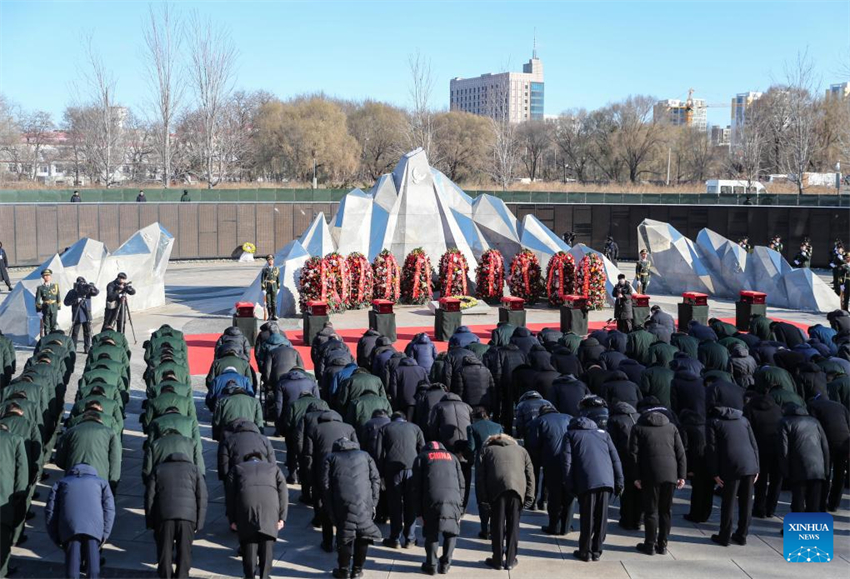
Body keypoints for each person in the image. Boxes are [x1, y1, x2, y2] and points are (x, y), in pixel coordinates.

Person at [562, 414, 624, 561]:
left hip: (587, 481)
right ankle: (597, 551)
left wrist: (569, 485)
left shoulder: (570, 434)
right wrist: (619, 481)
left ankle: (585, 551)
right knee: (602, 518)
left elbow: (566, 462)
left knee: (587, 517)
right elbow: (615, 459)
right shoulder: (604, 434)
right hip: (606, 480)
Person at [321, 437, 382, 579]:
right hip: (364, 501)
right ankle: (357, 570)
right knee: (363, 534)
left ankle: (344, 571)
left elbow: (325, 486)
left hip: (342, 502)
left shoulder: (330, 458)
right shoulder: (365, 455)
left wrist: (330, 508)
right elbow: (376, 479)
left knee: (345, 535)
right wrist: (373, 501)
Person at [629, 408, 686, 556]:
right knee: (666, 511)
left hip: (650, 474)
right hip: (670, 473)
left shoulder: (638, 428)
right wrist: (682, 475)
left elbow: (633, 454)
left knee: (651, 511)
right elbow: (680, 452)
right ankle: (663, 545)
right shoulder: (672, 427)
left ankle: (650, 545)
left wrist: (636, 476)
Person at [45, 463, 115, 579]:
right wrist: (105, 534)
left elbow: (50, 511)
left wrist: (55, 536)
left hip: (70, 526)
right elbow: (109, 510)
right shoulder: (102, 483)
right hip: (94, 527)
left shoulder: (61, 483)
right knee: (93, 565)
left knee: (72, 563)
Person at [476, 434, 535, 571]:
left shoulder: (486, 451)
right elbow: (530, 474)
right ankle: (510, 560)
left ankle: (497, 560)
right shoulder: (521, 450)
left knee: (497, 525)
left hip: (496, 490)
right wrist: (530, 496)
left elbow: (480, 477)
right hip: (517, 491)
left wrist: (483, 498)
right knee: (513, 525)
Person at [145, 452, 208, 578]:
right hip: (187, 517)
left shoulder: (158, 469)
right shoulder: (195, 470)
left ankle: (166, 575)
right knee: (185, 551)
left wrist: (150, 521)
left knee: (164, 551)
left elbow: (149, 497)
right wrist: (199, 523)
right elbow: (202, 497)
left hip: (164, 516)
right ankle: (182, 576)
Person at [226, 453, 288, 579]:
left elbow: (230, 496)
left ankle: (250, 576)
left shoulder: (237, 468)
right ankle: (264, 576)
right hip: (269, 508)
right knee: (267, 544)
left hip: (246, 508)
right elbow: (283, 493)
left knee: (249, 543)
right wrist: (282, 517)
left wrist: (232, 519)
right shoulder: (274, 468)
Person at [706, 407, 760, 546]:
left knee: (728, 503)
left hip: (730, 465)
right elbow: (754, 444)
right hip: (749, 464)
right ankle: (742, 535)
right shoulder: (744, 420)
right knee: (746, 503)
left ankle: (724, 536)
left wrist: (714, 473)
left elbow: (712, 448)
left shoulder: (713, 423)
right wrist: (756, 467)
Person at [411, 441, 465, 575]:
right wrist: (460, 506)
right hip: (453, 498)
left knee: (431, 531)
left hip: (431, 499)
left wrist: (419, 512)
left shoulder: (421, 458)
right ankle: (445, 564)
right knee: (451, 531)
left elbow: (416, 487)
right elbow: (462, 483)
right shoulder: (453, 458)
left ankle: (431, 565)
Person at [376, 412, 426, 549]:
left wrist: (381, 475)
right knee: (411, 504)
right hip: (411, 469)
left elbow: (379, 454)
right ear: (405, 419)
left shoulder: (384, 428)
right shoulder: (415, 428)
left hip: (392, 470)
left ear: (392, 419)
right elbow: (423, 449)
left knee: (395, 505)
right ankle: (410, 538)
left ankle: (395, 538)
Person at [778, 403, 830, 514]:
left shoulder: (785, 422)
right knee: (814, 504)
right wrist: (826, 469)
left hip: (798, 468)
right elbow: (825, 446)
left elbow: (784, 450)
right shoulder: (815, 422)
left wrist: (785, 472)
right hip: (817, 468)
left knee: (798, 502)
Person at [466, 409, 503, 539]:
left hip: (481, 464)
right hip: (497, 462)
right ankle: (495, 527)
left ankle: (484, 529)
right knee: (496, 496)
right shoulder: (498, 426)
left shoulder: (472, 428)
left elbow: (471, 447)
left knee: (482, 496)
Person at [0, 423, 27, 577]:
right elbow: (21, 469)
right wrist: (20, 494)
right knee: (3, 539)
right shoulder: (15, 439)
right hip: (4, 497)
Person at [64, 277, 99, 353]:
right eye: (80, 284)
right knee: (75, 332)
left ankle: (87, 348)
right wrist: (75, 301)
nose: (82, 286)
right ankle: (73, 348)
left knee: (87, 331)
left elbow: (96, 293)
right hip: (77, 314)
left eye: (83, 283)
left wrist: (92, 286)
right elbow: (66, 302)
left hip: (86, 313)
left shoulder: (88, 290)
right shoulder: (73, 292)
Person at [35, 268, 61, 334]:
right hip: (45, 308)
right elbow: (37, 300)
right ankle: (47, 337)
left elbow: (58, 297)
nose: (47, 277)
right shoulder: (40, 288)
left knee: (54, 324)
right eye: (45, 276)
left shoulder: (55, 286)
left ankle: (53, 337)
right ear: (43, 277)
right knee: (46, 325)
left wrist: (58, 306)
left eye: (48, 275)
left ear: (50, 277)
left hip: (54, 307)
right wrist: (39, 311)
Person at [261, 255, 280, 320]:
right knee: (268, 302)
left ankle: (275, 315)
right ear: (267, 261)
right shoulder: (265, 270)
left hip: (274, 286)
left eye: (271, 260)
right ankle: (270, 315)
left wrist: (278, 287)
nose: (271, 261)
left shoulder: (276, 269)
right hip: (267, 287)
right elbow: (262, 280)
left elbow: (278, 279)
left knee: (274, 301)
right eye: (269, 260)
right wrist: (263, 289)